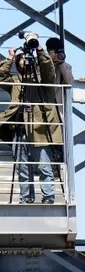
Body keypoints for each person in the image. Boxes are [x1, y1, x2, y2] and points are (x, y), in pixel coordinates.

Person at [0, 34, 61, 204]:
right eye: (21, 60)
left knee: (44, 166)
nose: (25, 61)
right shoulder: (15, 80)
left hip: (40, 128)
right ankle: (26, 199)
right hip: (19, 130)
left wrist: (39, 49)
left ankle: (48, 198)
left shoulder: (43, 80)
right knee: (23, 168)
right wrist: (10, 59)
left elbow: (48, 68)